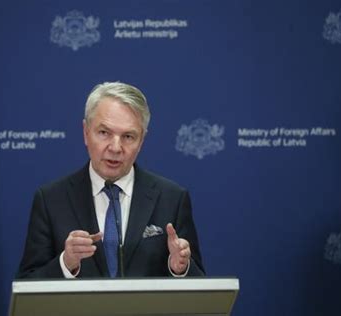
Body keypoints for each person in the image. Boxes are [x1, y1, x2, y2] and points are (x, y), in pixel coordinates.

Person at [17, 82, 205, 278]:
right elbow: (27, 284)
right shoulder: (51, 200)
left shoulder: (172, 199)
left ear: (142, 141)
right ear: (85, 132)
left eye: (128, 136)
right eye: (104, 133)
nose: (116, 148)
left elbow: (201, 288)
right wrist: (66, 263)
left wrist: (180, 268)